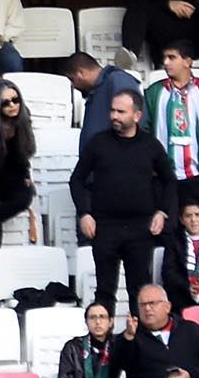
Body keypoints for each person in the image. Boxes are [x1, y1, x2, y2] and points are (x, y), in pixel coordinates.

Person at [69, 88, 175, 311]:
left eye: (121, 111)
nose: (114, 116)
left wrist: (162, 212)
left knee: (140, 291)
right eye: (112, 110)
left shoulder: (150, 145)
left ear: (137, 115)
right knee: (104, 291)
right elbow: (76, 180)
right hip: (105, 227)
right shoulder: (99, 143)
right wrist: (84, 213)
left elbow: (169, 181)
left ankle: (139, 333)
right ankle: (103, 334)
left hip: (140, 228)